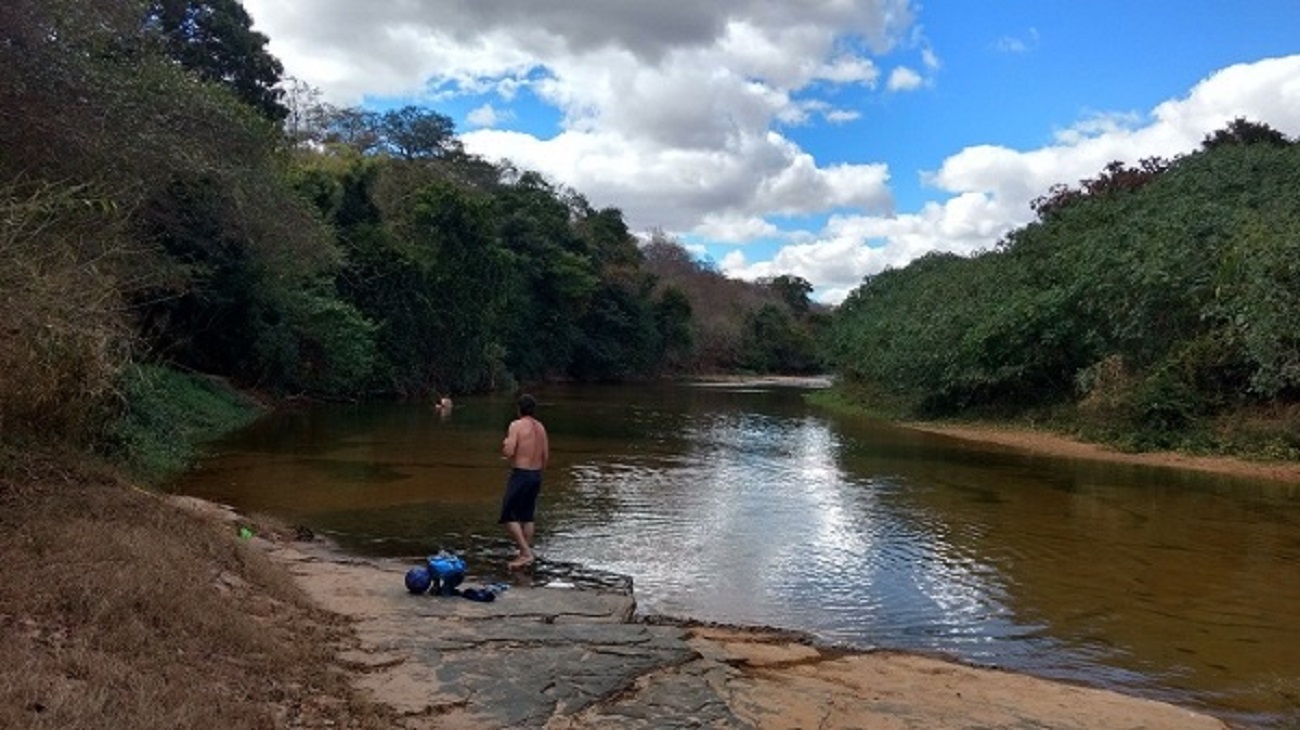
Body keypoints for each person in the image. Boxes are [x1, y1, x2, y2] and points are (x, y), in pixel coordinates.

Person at [499, 393, 548, 570]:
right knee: (527, 515)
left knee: (508, 514)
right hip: (536, 474)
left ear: (519, 408)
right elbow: (546, 455)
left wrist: (505, 444)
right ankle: (524, 552)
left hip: (521, 473)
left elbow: (509, 451)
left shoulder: (517, 425)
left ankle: (526, 553)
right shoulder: (541, 427)